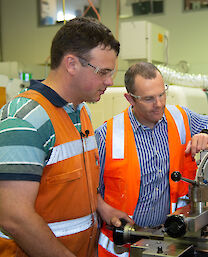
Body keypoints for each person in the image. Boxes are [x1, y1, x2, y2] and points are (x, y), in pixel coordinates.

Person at [0, 17, 131, 257]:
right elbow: (14, 217)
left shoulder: (80, 111)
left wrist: (102, 207)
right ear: (71, 64)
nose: (110, 82)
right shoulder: (25, 120)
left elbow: (74, 181)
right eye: (103, 72)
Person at [95, 62, 208, 256]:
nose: (159, 104)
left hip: (170, 240)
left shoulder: (180, 118)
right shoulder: (107, 136)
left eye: (161, 94)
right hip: (122, 245)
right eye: (148, 99)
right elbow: (89, 189)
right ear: (130, 99)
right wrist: (103, 209)